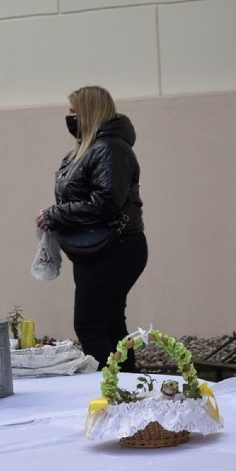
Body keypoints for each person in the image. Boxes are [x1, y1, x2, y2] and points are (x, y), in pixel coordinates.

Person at [36, 86, 146, 371]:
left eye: (73, 111)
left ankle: (109, 394)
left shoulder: (109, 148)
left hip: (113, 249)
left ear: (89, 112)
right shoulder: (93, 148)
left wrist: (55, 214)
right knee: (110, 324)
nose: (68, 117)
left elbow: (106, 202)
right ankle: (125, 392)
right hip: (102, 249)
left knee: (89, 326)